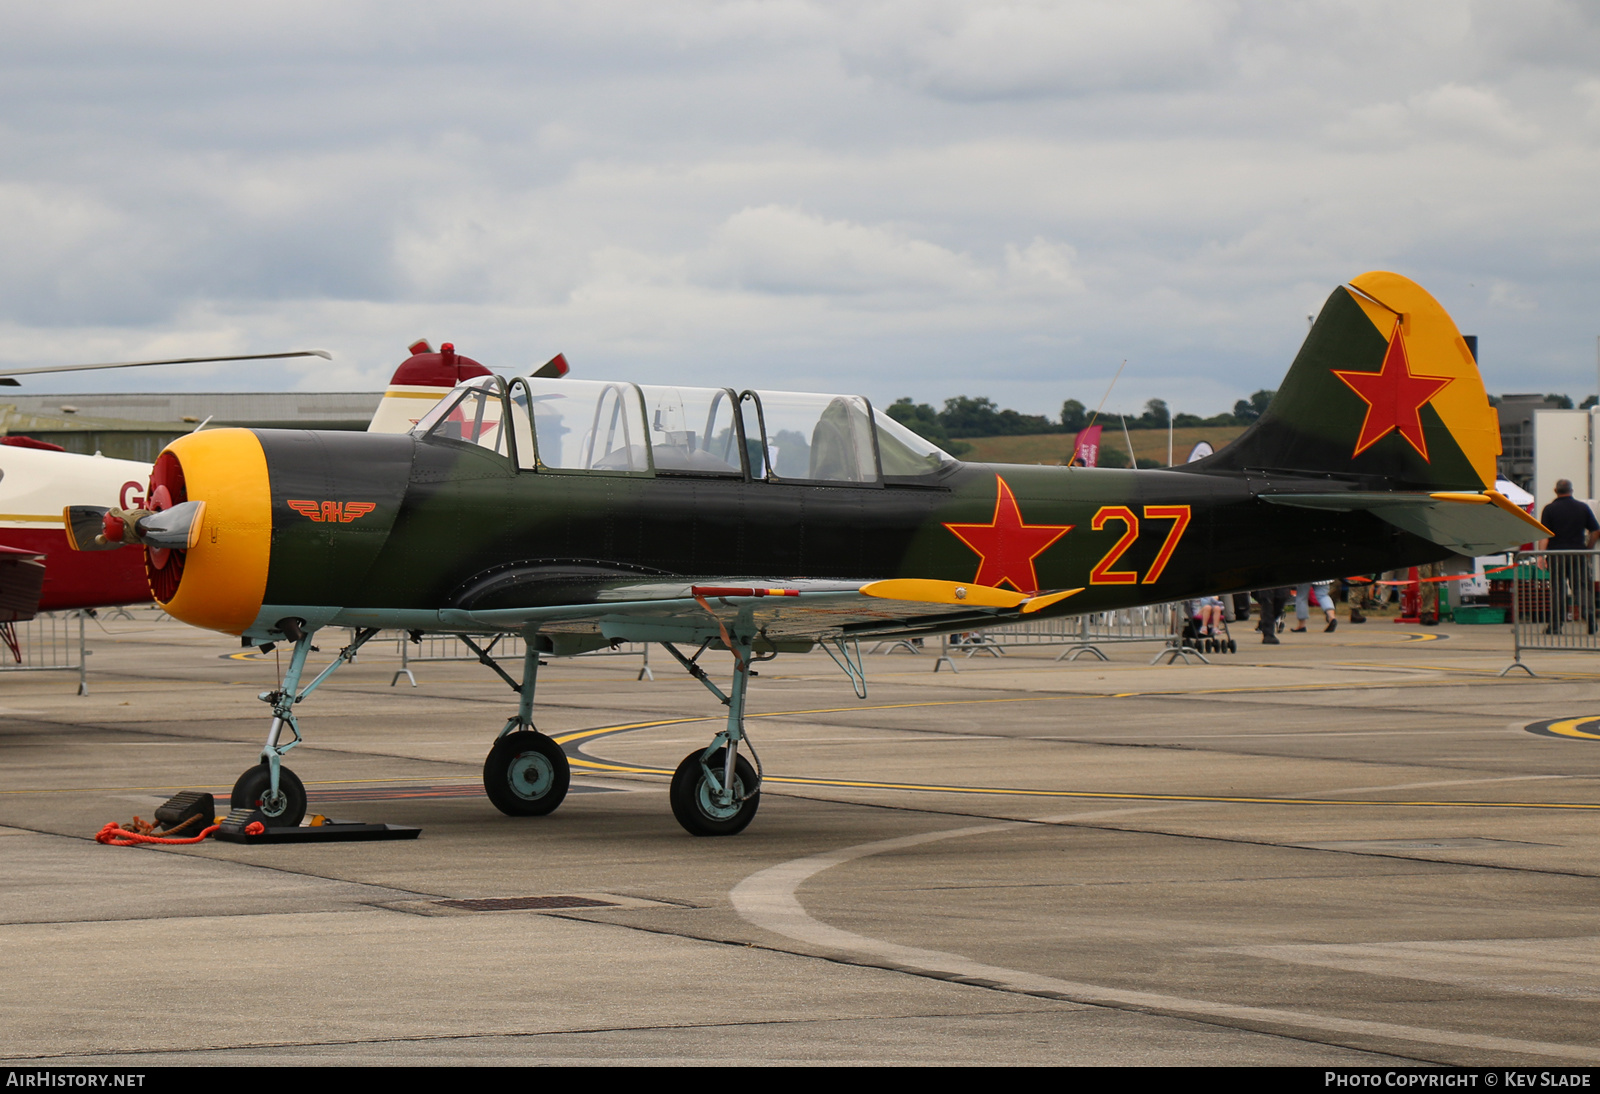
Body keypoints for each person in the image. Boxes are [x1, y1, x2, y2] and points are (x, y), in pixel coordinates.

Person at [1538, 479, 1600, 634]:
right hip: (1578, 554)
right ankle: (1591, 620)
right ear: (1571, 491)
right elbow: (1595, 531)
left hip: (1556, 555)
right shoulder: (1582, 508)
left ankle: (1555, 626)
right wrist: (1588, 548)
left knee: (1557, 590)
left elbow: (1544, 535)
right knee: (1582, 588)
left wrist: (1541, 556)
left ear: (1555, 491)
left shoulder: (1549, 509)